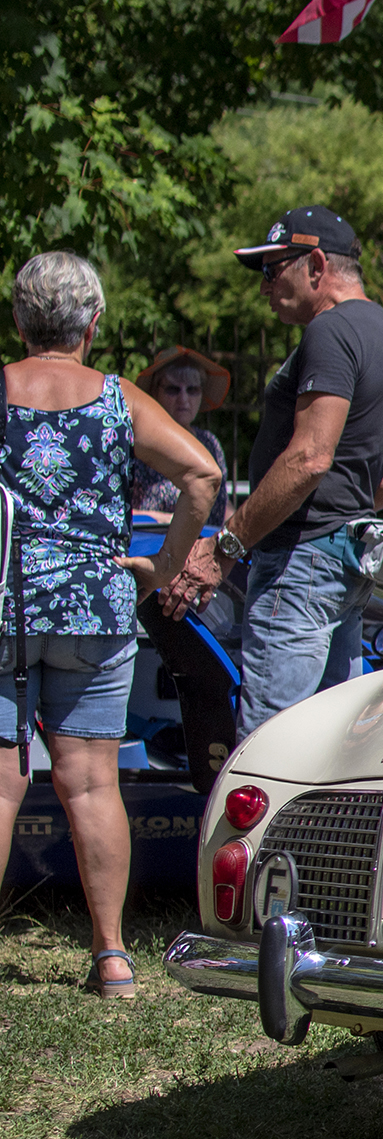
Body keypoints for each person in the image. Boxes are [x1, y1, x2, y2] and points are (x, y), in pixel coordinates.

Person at [0, 252, 222, 997]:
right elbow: (202, 475)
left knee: (1, 785)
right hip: (95, 608)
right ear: (93, 324)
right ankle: (112, 958)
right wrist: (163, 566)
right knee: (94, 784)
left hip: (4, 605)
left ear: (19, 321)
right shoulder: (120, 398)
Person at [160, 207, 383, 737]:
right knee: (326, 747)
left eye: (272, 269)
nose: (264, 287)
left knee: (267, 747)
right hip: (346, 567)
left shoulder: (332, 331)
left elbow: (309, 458)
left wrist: (225, 547)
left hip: (299, 568)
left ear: (316, 265)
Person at [131, 347, 230, 525]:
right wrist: (157, 518)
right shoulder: (139, 443)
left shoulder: (210, 443)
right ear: (155, 392)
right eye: (173, 389)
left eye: (192, 390)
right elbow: (113, 511)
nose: (183, 399)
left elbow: (223, 509)